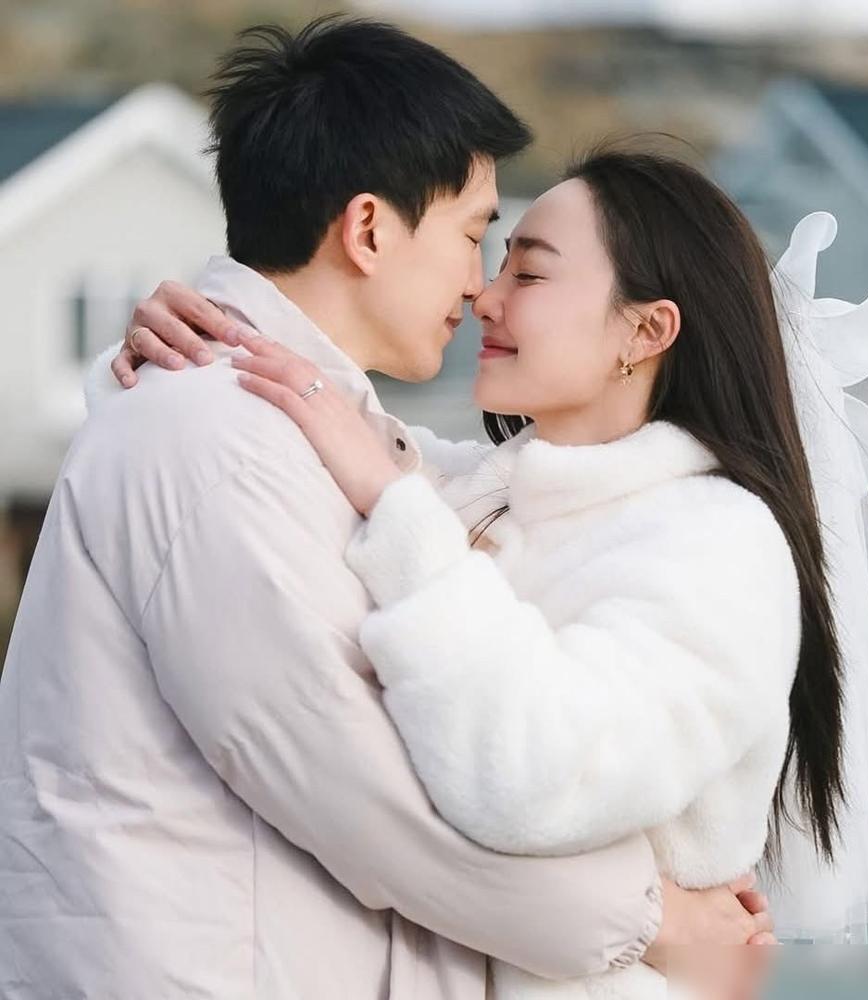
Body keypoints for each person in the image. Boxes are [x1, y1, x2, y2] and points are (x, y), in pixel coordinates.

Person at [0, 17, 775, 1000]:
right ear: (368, 229)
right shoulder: (217, 439)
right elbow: (372, 797)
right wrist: (652, 916)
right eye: (473, 235)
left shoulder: (303, 425)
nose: (479, 288)